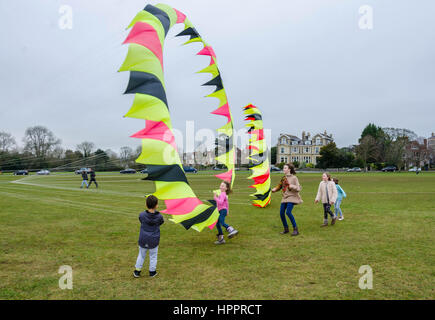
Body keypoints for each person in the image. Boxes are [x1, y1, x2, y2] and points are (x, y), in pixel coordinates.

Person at [133, 195, 164, 278]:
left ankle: (137, 271)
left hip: (143, 239)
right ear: (156, 205)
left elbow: (141, 219)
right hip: (154, 240)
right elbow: (161, 222)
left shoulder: (142, 215)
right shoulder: (159, 216)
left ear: (146, 205)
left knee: (141, 255)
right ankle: (152, 272)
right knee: (153, 256)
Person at [271, 163, 302, 236]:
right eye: (283, 168)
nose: (283, 169)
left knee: (288, 212)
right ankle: (286, 229)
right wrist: (275, 189)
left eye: (285, 168)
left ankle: (295, 229)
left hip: (292, 197)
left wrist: (292, 186)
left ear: (289, 169)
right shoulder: (283, 178)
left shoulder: (294, 178)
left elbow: (299, 188)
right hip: (285, 197)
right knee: (281, 213)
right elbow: (279, 186)